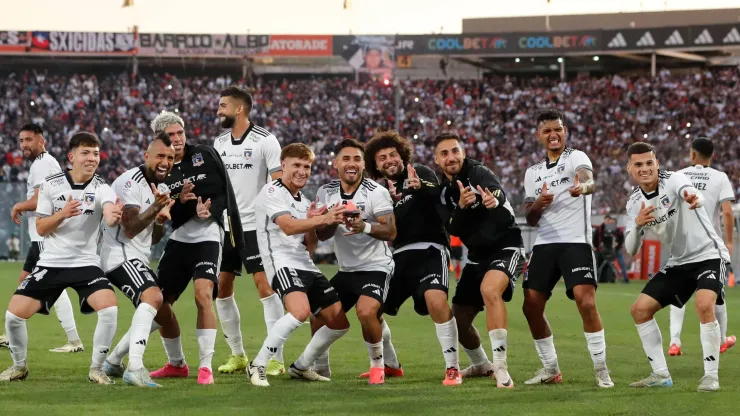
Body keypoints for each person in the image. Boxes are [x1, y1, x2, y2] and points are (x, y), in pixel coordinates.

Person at [1, 132, 123, 383]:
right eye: (86, 153)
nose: (92, 158)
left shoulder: (102, 187)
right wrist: (63, 214)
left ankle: (96, 369)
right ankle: (19, 366)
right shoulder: (51, 184)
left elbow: (110, 210)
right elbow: (42, 228)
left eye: (96, 153)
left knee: (109, 309)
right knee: (13, 317)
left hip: (86, 263)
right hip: (51, 262)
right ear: (72, 157)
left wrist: (113, 216)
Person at [147, 111, 244, 385]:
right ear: (159, 139)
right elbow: (169, 217)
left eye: (180, 133)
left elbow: (225, 191)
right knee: (158, 303)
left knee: (203, 295)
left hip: (210, 234)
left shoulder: (206, 154)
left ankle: (205, 367)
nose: (177, 139)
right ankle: (176, 363)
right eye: (171, 135)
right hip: (179, 239)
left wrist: (211, 211)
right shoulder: (158, 172)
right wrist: (185, 204)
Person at [624, 142, 729, 392]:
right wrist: (638, 225)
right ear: (630, 169)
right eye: (638, 164)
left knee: (704, 305)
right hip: (679, 263)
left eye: (649, 162)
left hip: (709, 254)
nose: (645, 168)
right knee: (639, 310)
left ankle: (711, 376)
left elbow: (690, 192)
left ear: (657, 163)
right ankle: (661, 374)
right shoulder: (634, 203)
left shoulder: (674, 179)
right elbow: (630, 249)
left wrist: (694, 198)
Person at [522, 109, 613, 388]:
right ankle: (550, 369)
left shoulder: (576, 156)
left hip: (576, 242)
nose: (554, 134)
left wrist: (582, 188)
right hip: (545, 243)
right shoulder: (533, 172)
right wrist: (539, 203)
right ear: (539, 135)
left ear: (565, 131)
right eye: (548, 130)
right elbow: (530, 217)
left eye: (558, 129)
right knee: (531, 306)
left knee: (586, 302)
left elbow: (589, 180)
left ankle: (601, 369)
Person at [247, 143, 350, 387]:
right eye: (297, 165)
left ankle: (301, 366)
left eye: (307, 166)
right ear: (283, 166)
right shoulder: (271, 191)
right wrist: (322, 218)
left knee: (339, 323)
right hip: (280, 262)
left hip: (305, 264)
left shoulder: (303, 201)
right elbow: (288, 226)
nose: (303, 171)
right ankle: (258, 364)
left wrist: (314, 221)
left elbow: (309, 243)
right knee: (300, 311)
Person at [364, 129, 461, 386]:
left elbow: (438, 193)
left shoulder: (420, 173)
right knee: (371, 307)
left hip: (430, 249)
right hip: (397, 257)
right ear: (375, 165)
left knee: (436, 300)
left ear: (402, 155)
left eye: (392, 154)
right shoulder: (378, 191)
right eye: (382, 158)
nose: (389, 160)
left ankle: (453, 368)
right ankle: (392, 364)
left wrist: (420, 188)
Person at [434, 132, 524, 388]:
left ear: (463, 153)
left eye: (455, 151)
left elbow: (497, 190)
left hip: (506, 246)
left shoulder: (478, 173)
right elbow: (452, 227)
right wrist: (461, 207)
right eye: (444, 153)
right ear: (437, 160)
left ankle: (501, 367)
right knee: (458, 319)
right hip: (477, 257)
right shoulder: (443, 194)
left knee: (489, 289)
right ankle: (482, 364)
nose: (451, 157)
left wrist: (494, 199)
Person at [311, 139, 396, 385]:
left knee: (366, 311)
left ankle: (378, 367)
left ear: (363, 165)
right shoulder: (325, 192)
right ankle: (321, 368)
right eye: (346, 159)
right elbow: (323, 235)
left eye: (357, 159)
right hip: (346, 270)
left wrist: (364, 226)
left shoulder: (375, 191)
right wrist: (330, 219)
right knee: (318, 313)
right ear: (336, 164)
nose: (352, 163)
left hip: (376, 267)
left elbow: (390, 231)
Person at [213, 86, 285, 376]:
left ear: (239, 109)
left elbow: (279, 181)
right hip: (227, 225)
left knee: (264, 287)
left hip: (256, 226)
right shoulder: (218, 143)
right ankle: (238, 354)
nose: (219, 111)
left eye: (223, 105)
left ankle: (276, 358)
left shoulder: (265, 140)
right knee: (222, 288)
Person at [99, 132, 176, 388]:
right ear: (146, 156)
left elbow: (152, 237)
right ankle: (135, 367)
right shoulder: (129, 182)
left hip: (137, 256)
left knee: (163, 313)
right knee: (153, 297)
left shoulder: (162, 188)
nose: (165, 162)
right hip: (118, 253)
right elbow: (130, 227)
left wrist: (161, 221)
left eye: (171, 157)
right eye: (160, 156)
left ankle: (113, 361)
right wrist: (155, 208)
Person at [3, 123, 83, 353]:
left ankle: (74, 340)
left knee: (51, 286)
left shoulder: (42, 164)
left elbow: (40, 200)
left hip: (44, 237)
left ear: (41, 141)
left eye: (29, 140)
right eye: (21, 141)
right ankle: (12, 333)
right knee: (24, 280)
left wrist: (18, 205)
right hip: (41, 236)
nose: (24, 145)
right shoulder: (45, 163)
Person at [669, 137, 736, 356]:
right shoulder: (720, 177)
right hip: (709, 246)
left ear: (692, 154)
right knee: (715, 293)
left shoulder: (679, 176)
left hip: (683, 244)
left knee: (677, 293)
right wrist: (729, 241)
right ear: (712, 155)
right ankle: (721, 340)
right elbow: (727, 212)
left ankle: (674, 342)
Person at [592, 215, 629, 283]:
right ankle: (602, 279)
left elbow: (621, 240)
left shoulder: (617, 230)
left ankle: (622, 279)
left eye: (611, 222)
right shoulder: (601, 229)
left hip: (614, 250)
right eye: (608, 221)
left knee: (615, 265)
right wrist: (597, 247)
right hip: (605, 250)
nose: (610, 223)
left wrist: (617, 247)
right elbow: (597, 238)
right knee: (604, 265)